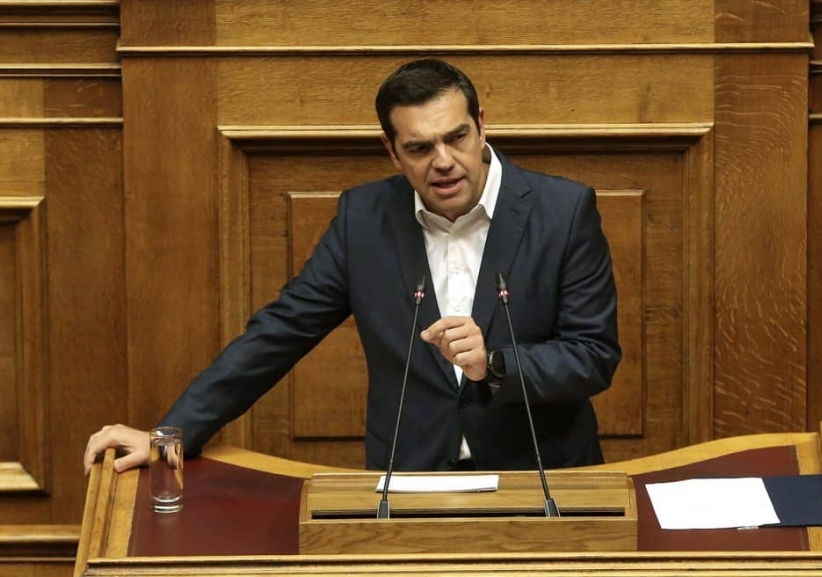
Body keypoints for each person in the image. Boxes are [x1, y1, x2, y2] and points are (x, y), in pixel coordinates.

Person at [83, 58, 620, 475]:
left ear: (481, 127)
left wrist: (495, 365)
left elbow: (594, 356)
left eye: (456, 137)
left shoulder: (563, 211)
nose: (443, 161)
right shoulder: (363, 220)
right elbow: (278, 334)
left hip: (541, 478)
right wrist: (170, 434)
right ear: (392, 150)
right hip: (410, 484)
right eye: (419, 147)